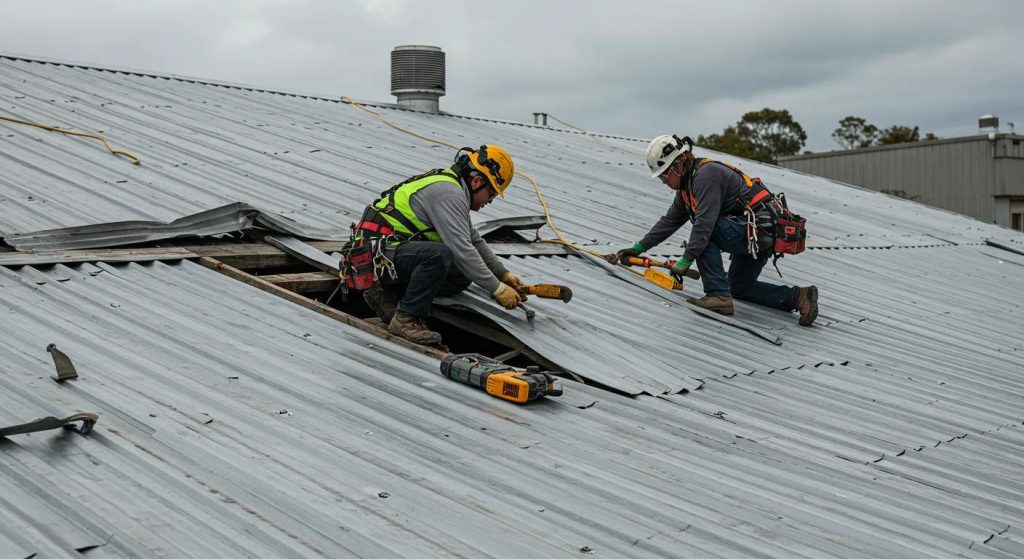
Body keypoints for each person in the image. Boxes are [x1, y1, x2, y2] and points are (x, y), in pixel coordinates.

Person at [615, 134, 819, 326]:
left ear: (678, 165)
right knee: (739, 287)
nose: (665, 182)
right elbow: (669, 222)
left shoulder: (705, 177)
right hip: (754, 230)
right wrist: (638, 248)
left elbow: (704, 225)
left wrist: (685, 261)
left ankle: (718, 296)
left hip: (760, 229)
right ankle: (800, 297)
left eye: (665, 176)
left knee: (704, 232)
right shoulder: (686, 189)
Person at [356, 145, 527, 345]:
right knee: (441, 255)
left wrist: (503, 274)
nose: (490, 201)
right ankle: (406, 319)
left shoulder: (455, 191)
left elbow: (474, 240)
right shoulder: (450, 195)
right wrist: (497, 289)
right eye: (491, 194)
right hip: (375, 258)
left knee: (461, 274)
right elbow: (462, 250)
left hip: (389, 257)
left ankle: (389, 297)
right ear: (477, 181)